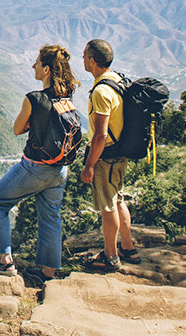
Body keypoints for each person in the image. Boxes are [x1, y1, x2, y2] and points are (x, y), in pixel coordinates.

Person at [0, 44, 80, 284]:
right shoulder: (66, 97)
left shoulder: (33, 99)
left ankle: (5, 262)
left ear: (46, 69)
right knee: (50, 216)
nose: (33, 66)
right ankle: (47, 273)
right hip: (59, 170)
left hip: (34, 168)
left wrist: (30, 123)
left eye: (37, 63)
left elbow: (17, 129)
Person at [80, 38, 140, 271]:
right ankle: (128, 248)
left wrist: (90, 165)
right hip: (121, 153)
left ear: (93, 60)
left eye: (85, 56)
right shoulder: (118, 80)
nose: (83, 59)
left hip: (106, 156)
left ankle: (110, 256)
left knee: (107, 206)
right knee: (118, 199)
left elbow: (100, 136)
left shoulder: (101, 91)